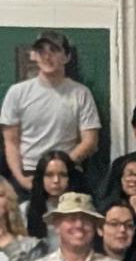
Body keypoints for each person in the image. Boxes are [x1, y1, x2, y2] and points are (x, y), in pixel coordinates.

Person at [1, 31, 99, 192]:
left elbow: (90, 141)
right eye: (42, 51)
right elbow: (11, 142)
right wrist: (21, 178)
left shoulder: (81, 93)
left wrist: (60, 166)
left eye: (54, 50)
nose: (47, 56)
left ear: (67, 57)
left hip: (68, 172)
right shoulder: (17, 92)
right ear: (34, 55)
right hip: (29, 173)